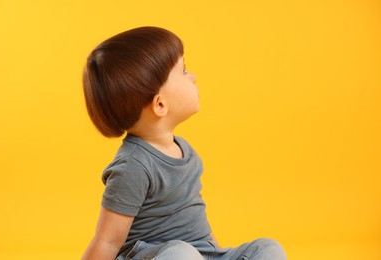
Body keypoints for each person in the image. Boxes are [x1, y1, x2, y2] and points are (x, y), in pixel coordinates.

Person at [81, 26, 286, 260]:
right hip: (160, 256)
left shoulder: (185, 150)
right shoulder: (133, 166)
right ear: (160, 104)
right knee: (181, 254)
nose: (194, 76)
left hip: (201, 252)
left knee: (268, 249)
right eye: (184, 71)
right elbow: (107, 241)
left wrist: (217, 252)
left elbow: (197, 221)